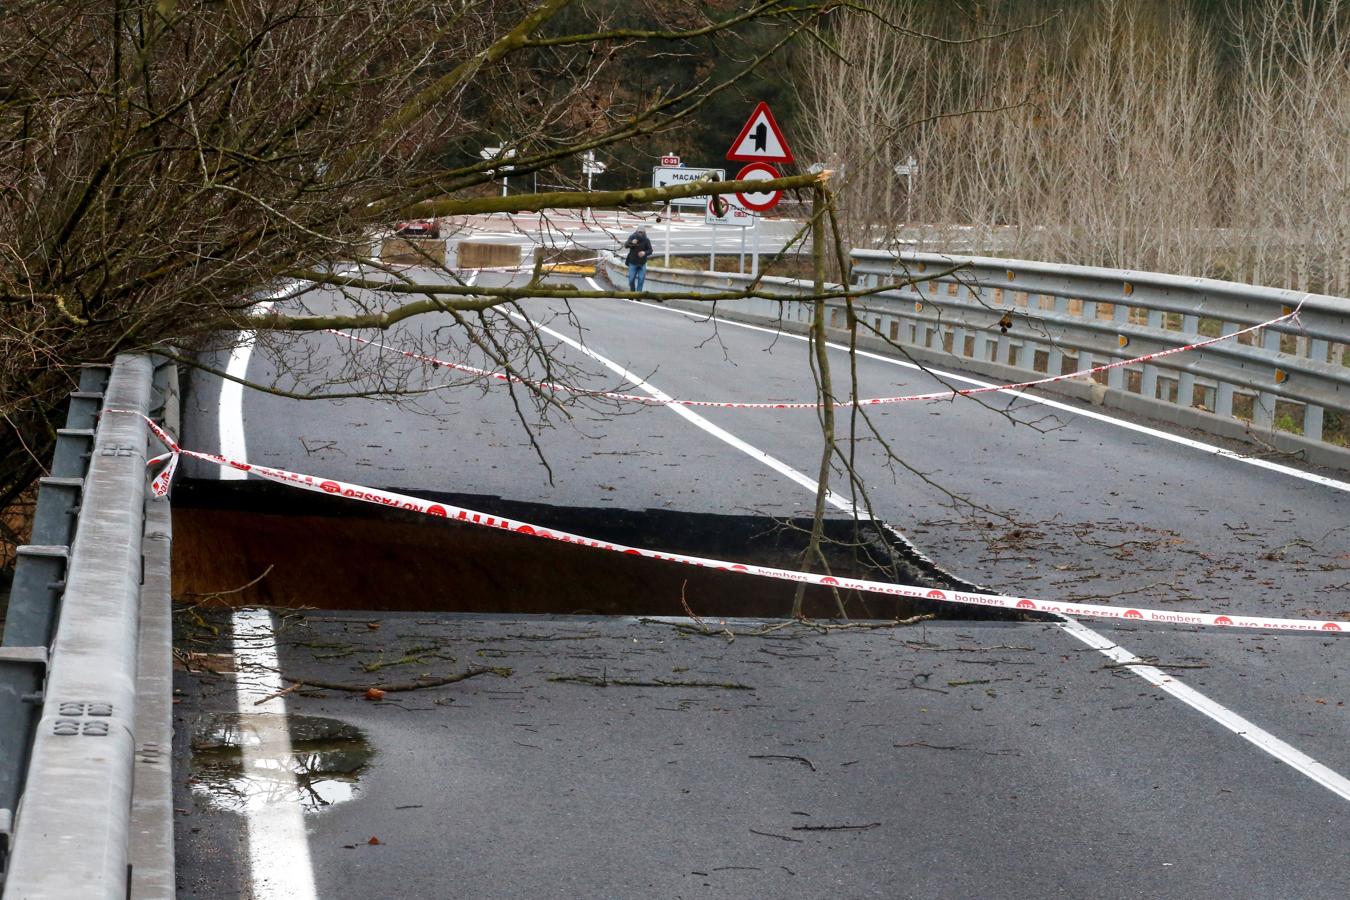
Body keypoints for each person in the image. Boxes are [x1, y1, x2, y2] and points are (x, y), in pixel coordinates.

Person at [624, 224, 654, 291]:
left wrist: (644, 253)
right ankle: (632, 292)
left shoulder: (646, 240)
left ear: (644, 232)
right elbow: (626, 245)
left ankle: (638, 295)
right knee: (631, 279)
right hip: (632, 262)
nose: (640, 233)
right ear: (636, 231)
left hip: (642, 263)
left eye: (642, 232)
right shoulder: (632, 237)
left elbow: (650, 250)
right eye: (639, 232)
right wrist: (631, 242)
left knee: (641, 279)